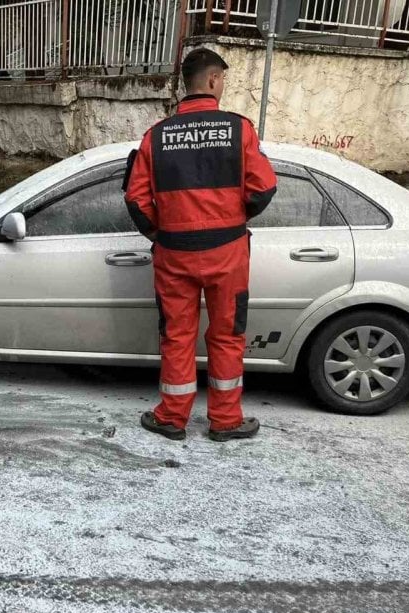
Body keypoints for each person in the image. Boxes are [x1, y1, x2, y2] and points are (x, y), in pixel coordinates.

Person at [124, 47, 277, 443]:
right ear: (212, 81)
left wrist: (161, 233)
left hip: (174, 252)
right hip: (227, 251)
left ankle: (172, 417)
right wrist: (231, 220)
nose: (222, 85)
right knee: (227, 335)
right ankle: (225, 421)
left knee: (177, 335)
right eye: (223, 79)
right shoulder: (239, 129)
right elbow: (264, 187)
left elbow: (136, 199)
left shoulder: (155, 136)